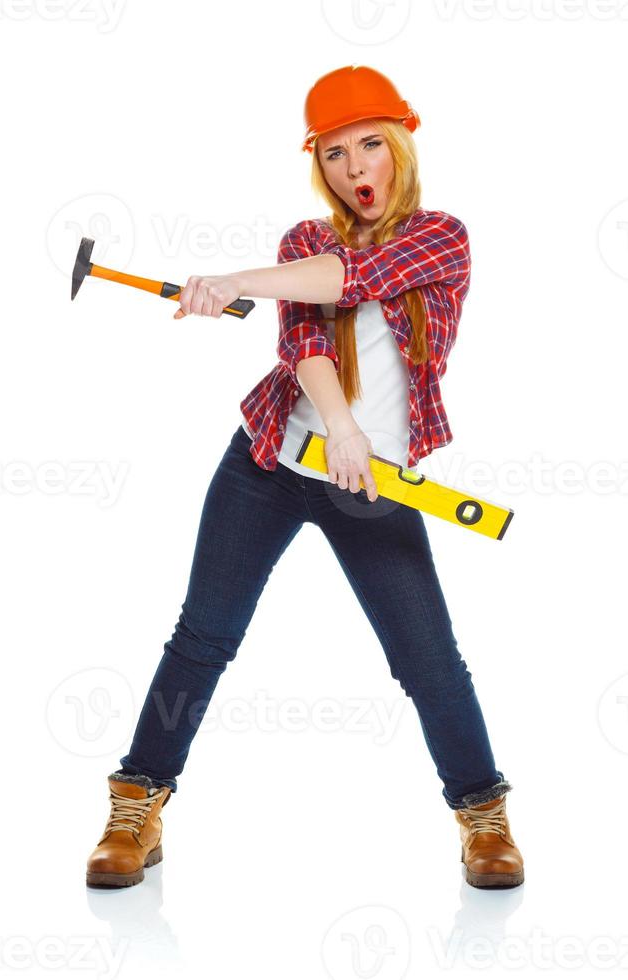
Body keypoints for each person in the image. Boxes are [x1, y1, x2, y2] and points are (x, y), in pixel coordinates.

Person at [86, 65, 524, 890]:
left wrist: (233, 281)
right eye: (332, 155)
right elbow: (307, 344)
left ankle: (483, 819)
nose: (354, 169)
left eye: (369, 146)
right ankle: (136, 805)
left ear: (398, 144)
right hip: (268, 462)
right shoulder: (302, 239)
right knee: (202, 639)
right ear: (316, 164)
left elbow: (355, 282)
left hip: (376, 486)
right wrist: (343, 428)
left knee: (427, 658)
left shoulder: (440, 236)